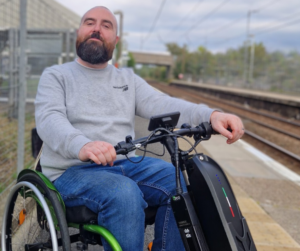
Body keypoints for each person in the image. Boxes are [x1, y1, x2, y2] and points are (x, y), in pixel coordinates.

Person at [35, 6, 244, 251]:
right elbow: (49, 119)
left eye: (106, 25)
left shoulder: (127, 80)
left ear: (116, 40)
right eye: (89, 22)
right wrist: (82, 145)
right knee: (123, 194)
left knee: (176, 183)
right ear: (79, 32)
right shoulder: (56, 76)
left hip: (125, 165)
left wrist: (211, 114)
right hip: (72, 172)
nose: (96, 29)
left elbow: (162, 103)